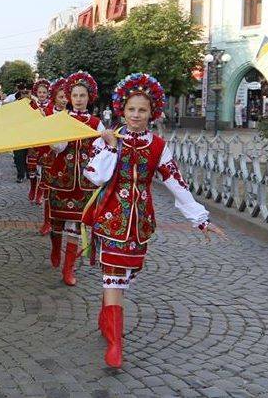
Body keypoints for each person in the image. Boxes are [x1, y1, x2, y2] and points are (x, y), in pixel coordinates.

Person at [83, 73, 226, 368]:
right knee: (113, 276)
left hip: (140, 222)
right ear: (122, 110)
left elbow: (176, 181)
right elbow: (94, 176)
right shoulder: (109, 139)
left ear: (152, 113)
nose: (136, 115)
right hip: (110, 218)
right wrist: (109, 146)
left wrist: (199, 218)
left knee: (125, 279)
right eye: (131, 109)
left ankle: (106, 317)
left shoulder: (159, 146)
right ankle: (115, 345)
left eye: (142, 110)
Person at [41, 71, 104, 286]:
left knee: (76, 226)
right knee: (57, 221)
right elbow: (56, 146)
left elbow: (103, 150)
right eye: (75, 95)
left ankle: (68, 270)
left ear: (89, 98)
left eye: (82, 96)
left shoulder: (96, 123)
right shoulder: (61, 119)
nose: (78, 99)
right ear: (69, 97)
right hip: (61, 177)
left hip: (84, 182)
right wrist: (63, 134)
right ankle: (55, 247)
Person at [36, 78, 68, 235]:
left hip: (68, 159)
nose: (64, 100)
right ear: (54, 97)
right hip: (49, 158)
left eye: (66, 97)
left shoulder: (72, 114)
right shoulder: (46, 112)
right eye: (61, 97)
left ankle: (63, 221)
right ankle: (47, 222)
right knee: (49, 192)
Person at [26, 79, 51, 201]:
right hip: (33, 139)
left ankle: (40, 192)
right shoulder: (31, 105)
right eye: (40, 92)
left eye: (44, 92)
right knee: (31, 166)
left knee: (42, 167)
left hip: (45, 140)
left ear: (47, 93)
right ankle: (32, 187)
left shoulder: (51, 106)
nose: (41, 94)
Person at [8, 80, 31, 182]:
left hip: (32, 134)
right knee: (18, 157)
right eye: (23, 93)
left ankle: (29, 173)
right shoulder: (15, 104)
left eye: (27, 93)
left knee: (30, 156)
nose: (25, 95)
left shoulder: (35, 103)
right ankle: (20, 175)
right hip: (18, 135)